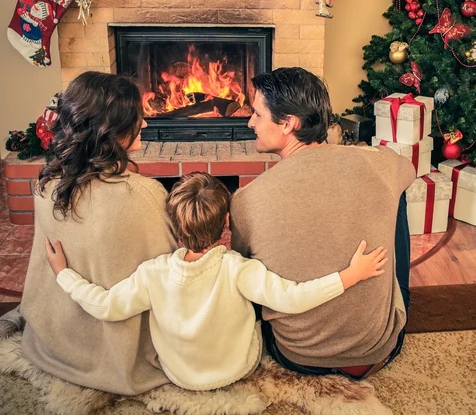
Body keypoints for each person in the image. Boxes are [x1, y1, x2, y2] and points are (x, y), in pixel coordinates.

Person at [44, 172, 388, 391]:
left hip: (180, 375)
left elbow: (106, 306)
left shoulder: (152, 274)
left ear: (173, 226)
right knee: (266, 312)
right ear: (226, 221)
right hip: (238, 368)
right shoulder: (238, 269)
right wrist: (349, 275)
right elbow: (292, 298)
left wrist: (64, 274)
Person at [230, 67, 416, 379]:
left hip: (297, 354)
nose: (250, 122)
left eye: (257, 115)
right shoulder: (380, 163)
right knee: (396, 195)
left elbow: (243, 279)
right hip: (376, 348)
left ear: (288, 123)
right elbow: (408, 169)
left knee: (249, 265)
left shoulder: (246, 199)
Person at [19, 71, 178, 395]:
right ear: (112, 130)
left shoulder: (47, 185)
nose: (145, 124)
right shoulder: (145, 195)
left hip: (55, 338)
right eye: (137, 118)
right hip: (119, 353)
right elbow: (170, 271)